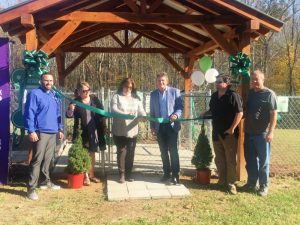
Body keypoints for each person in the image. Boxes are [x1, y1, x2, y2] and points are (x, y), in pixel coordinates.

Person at [24, 73, 64, 201]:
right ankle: (31, 188)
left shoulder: (54, 95)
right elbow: (29, 112)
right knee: (37, 160)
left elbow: (58, 113)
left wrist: (60, 128)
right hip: (40, 132)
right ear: (41, 81)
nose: (48, 83)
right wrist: (31, 131)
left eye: (51, 80)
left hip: (53, 132)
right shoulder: (35, 94)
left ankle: (45, 181)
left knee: (48, 159)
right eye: (46, 80)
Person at [244, 70, 277, 197]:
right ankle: (252, 183)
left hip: (262, 134)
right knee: (250, 161)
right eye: (252, 80)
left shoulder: (269, 94)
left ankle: (264, 186)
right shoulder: (251, 93)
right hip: (248, 133)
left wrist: (271, 132)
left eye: (257, 79)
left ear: (263, 80)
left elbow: (274, 113)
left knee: (263, 162)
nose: (254, 82)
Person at [208, 75, 243, 195]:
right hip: (216, 132)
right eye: (216, 82)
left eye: (219, 82)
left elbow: (239, 113)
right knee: (219, 159)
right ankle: (221, 181)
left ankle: (231, 184)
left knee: (230, 159)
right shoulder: (214, 96)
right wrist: (204, 113)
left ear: (227, 83)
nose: (216, 84)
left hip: (229, 134)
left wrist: (232, 128)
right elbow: (212, 111)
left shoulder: (233, 95)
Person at [66, 81, 106, 185]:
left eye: (88, 90)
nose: (86, 93)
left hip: (93, 130)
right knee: (83, 153)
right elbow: (68, 115)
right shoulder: (75, 101)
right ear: (79, 91)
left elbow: (102, 112)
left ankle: (92, 174)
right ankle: (86, 176)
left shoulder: (95, 100)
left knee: (92, 153)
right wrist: (71, 109)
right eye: (83, 91)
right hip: (81, 131)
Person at [111, 78, 146, 183]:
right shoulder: (116, 96)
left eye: (130, 87)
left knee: (130, 153)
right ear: (122, 86)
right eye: (126, 86)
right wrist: (125, 115)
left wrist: (144, 116)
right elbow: (113, 109)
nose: (128, 89)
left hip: (132, 131)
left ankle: (129, 174)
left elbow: (141, 110)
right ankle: (122, 175)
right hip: (120, 130)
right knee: (121, 153)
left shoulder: (136, 98)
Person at [150, 72, 183, 185]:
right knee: (163, 151)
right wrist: (152, 126)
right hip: (159, 126)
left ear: (167, 81)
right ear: (156, 82)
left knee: (173, 151)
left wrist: (176, 115)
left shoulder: (175, 91)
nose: (161, 82)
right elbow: (152, 112)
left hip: (171, 126)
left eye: (163, 80)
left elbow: (179, 107)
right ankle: (166, 173)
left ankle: (175, 176)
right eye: (159, 80)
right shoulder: (153, 94)